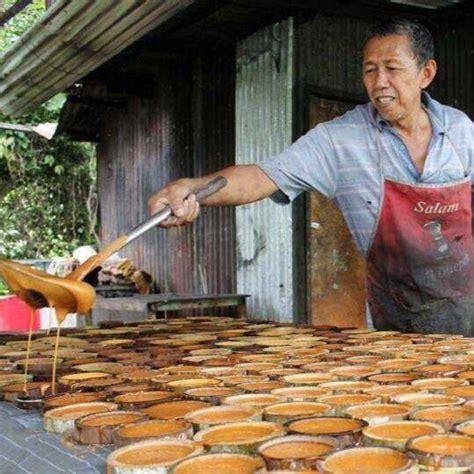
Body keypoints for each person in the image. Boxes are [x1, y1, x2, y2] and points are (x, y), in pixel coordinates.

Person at [148, 18, 474, 336]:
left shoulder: (462, 131)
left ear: (425, 73)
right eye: (370, 70)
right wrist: (192, 188)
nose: (379, 82)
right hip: (398, 327)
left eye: (392, 68)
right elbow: (262, 176)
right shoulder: (339, 140)